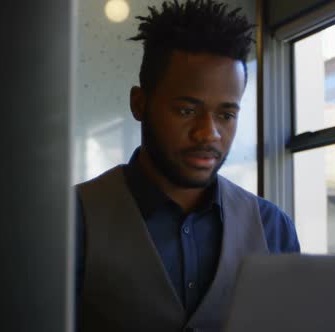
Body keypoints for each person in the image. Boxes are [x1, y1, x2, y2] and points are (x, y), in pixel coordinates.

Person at [75, 1, 300, 331]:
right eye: (186, 110)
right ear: (140, 103)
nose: (208, 133)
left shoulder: (273, 228)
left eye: (226, 115)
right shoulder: (68, 221)